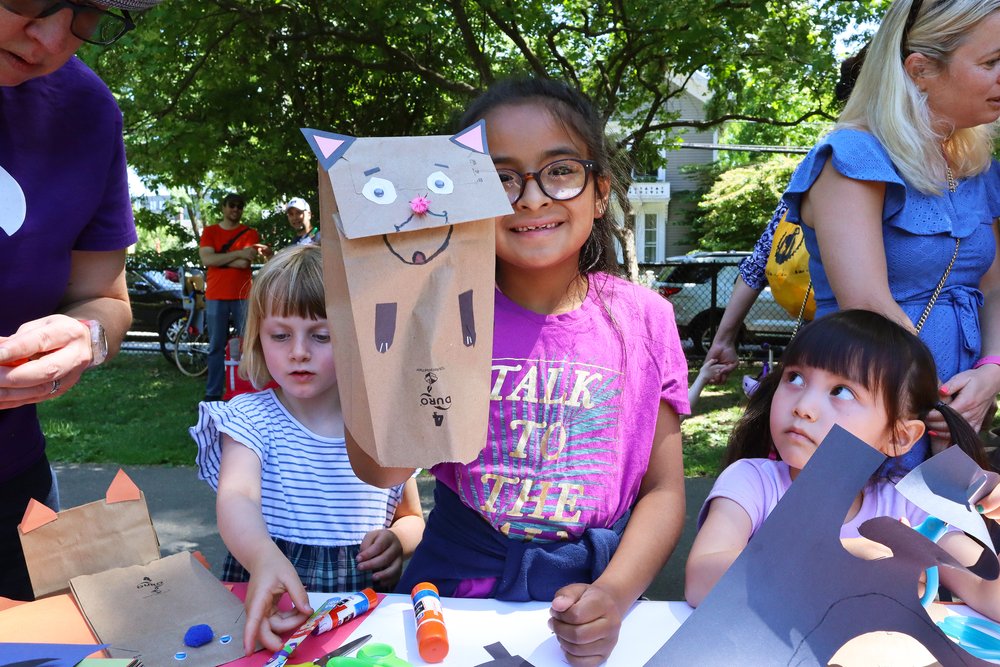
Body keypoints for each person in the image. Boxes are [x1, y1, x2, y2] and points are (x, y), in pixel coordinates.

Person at [343, 77, 689, 667]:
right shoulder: (440, 312)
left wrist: (615, 592)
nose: (531, 198)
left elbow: (663, 490)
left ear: (600, 192)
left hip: (594, 600)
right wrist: (384, 332)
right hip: (455, 596)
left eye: (559, 169)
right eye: (501, 178)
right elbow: (381, 468)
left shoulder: (645, 318)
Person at [783, 0, 1000, 472]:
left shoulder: (980, 171)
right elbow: (867, 303)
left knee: (938, 543)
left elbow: (994, 287)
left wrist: (991, 371)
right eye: (991, 62)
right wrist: (942, 395)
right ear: (920, 69)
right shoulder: (854, 158)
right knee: (848, 539)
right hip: (865, 413)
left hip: (951, 423)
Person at [0, 0, 165, 601]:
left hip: (11, 487)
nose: (47, 37)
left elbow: (104, 297)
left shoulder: (85, 111)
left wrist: (85, 338)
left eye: (89, 17)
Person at [686, 310, 1000, 620]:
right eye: (795, 378)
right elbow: (700, 579)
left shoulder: (910, 508)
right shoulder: (751, 483)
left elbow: (988, 593)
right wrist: (838, 564)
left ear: (899, 436)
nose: (804, 407)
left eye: (841, 392)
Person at [189, 245, 424, 655]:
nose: (299, 351)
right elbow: (237, 497)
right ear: (258, 340)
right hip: (271, 601)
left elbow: (413, 518)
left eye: (321, 335)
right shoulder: (248, 418)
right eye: (280, 335)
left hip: (360, 609)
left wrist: (397, 541)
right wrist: (263, 557)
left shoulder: (382, 428)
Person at [198, 192, 269, 402]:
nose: (235, 209)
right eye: (232, 205)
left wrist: (217, 259)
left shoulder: (249, 233)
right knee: (216, 346)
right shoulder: (210, 231)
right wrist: (234, 256)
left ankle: (249, 389)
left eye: (239, 206)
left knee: (248, 344)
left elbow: (244, 263)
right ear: (223, 207)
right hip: (216, 295)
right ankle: (213, 394)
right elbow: (205, 258)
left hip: (243, 295)